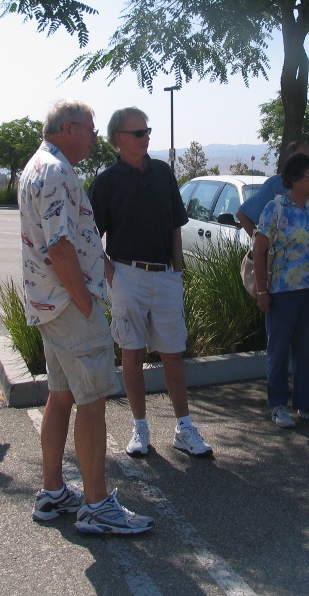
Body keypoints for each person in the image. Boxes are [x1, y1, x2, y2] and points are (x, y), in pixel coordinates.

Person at [20, 100, 154, 535]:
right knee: (92, 402)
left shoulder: (38, 166)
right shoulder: (55, 171)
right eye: (91, 129)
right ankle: (96, 506)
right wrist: (85, 302)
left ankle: (53, 491)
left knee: (60, 396)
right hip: (69, 307)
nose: (96, 138)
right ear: (69, 128)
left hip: (50, 306)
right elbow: (59, 246)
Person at [89, 107, 213, 458]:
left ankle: (184, 428)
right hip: (127, 275)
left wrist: (177, 271)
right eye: (139, 133)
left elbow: (175, 225)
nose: (146, 138)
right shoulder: (105, 183)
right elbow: (90, 237)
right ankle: (140, 428)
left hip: (165, 275)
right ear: (119, 139)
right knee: (132, 353)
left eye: (147, 131)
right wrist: (114, 278)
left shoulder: (163, 173)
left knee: (173, 353)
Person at [252, 152, 309, 428]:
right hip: (284, 292)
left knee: (305, 351)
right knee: (279, 350)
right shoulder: (276, 209)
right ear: (295, 179)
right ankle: (278, 405)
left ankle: (306, 404)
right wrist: (262, 292)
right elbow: (259, 251)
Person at [237, 141, 309, 393]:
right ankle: (278, 400)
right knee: (280, 345)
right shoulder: (274, 195)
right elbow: (244, 215)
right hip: (284, 286)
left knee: (307, 341)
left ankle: (306, 394)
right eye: (308, 167)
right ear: (293, 169)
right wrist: (264, 247)